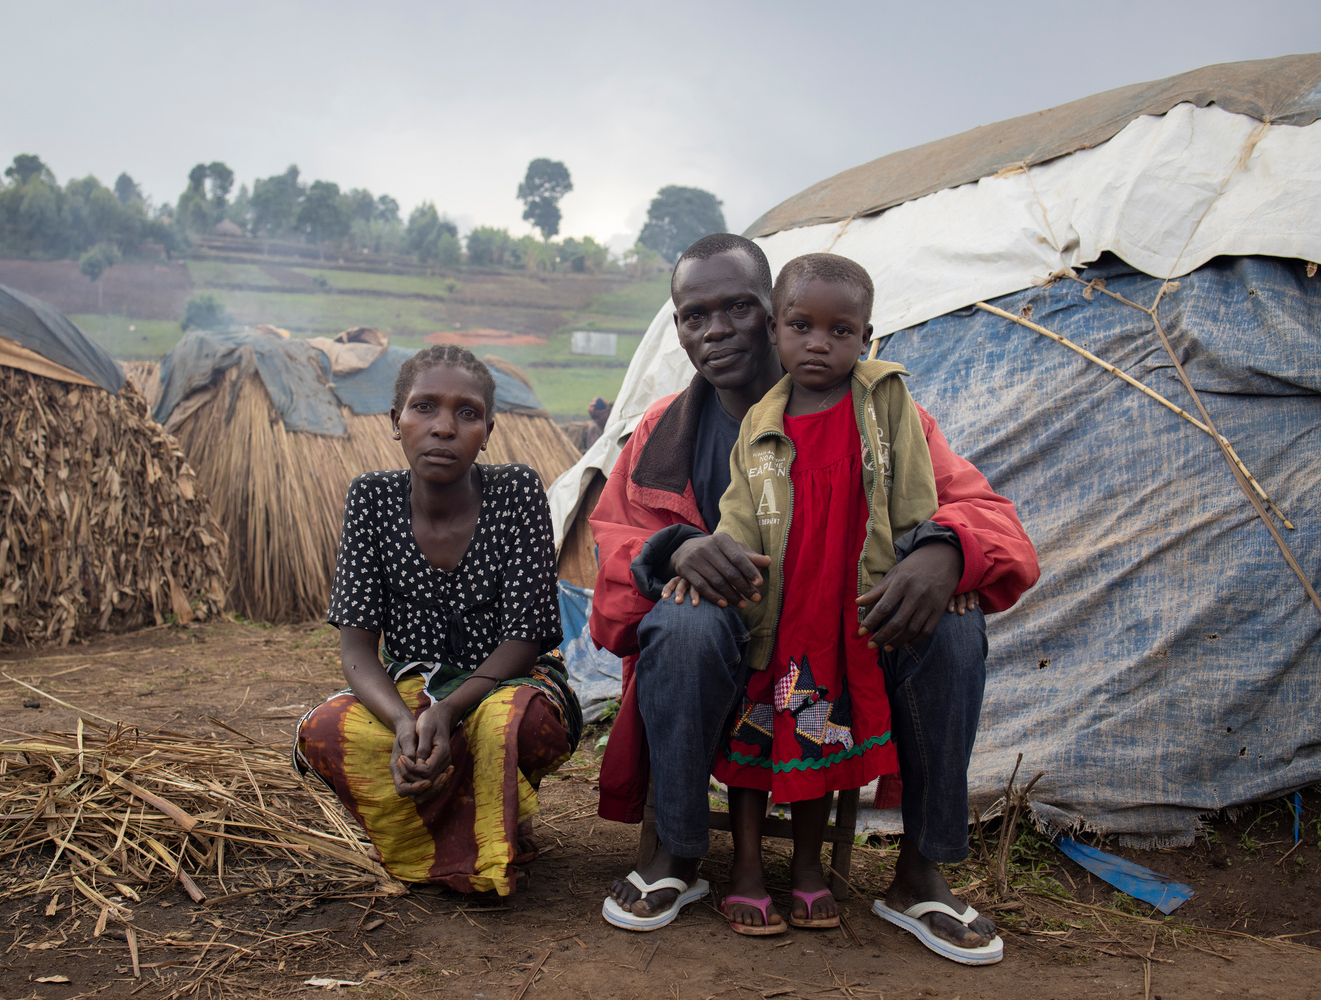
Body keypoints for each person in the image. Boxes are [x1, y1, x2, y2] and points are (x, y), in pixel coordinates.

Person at [592, 236, 1038, 963]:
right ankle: (678, 856)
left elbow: (987, 517)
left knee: (952, 625)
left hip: (848, 640)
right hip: (733, 656)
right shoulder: (663, 431)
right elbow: (615, 563)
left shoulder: (881, 415)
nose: (716, 330)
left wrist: (943, 552)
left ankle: (919, 875)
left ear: (770, 312)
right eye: (692, 315)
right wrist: (674, 549)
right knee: (682, 623)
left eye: (737, 307)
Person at [663, 253, 976, 941]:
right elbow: (739, 515)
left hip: (842, 615)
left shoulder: (887, 400)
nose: (818, 343)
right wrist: (709, 570)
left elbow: (918, 494)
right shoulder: (760, 422)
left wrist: (936, 554)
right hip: (775, 612)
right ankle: (745, 871)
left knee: (818, 740)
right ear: (778, 330)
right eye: (802, 326)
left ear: (866, 338)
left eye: (840, 332)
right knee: (755, 742)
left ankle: (809, 872)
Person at [294, 344, 582, 896]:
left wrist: (449, 710)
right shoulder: (372, 501)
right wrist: (407, 723)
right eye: (424, 408)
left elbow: (525, 637)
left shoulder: (516, 492)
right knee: (328, 730)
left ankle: (491, 840)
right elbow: (357, 650)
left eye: (467, 413)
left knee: (511, 723)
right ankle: (439, 839)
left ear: (488, 430)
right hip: (414, 693)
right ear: (395, 423)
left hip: (512, 684)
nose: (444, 427)